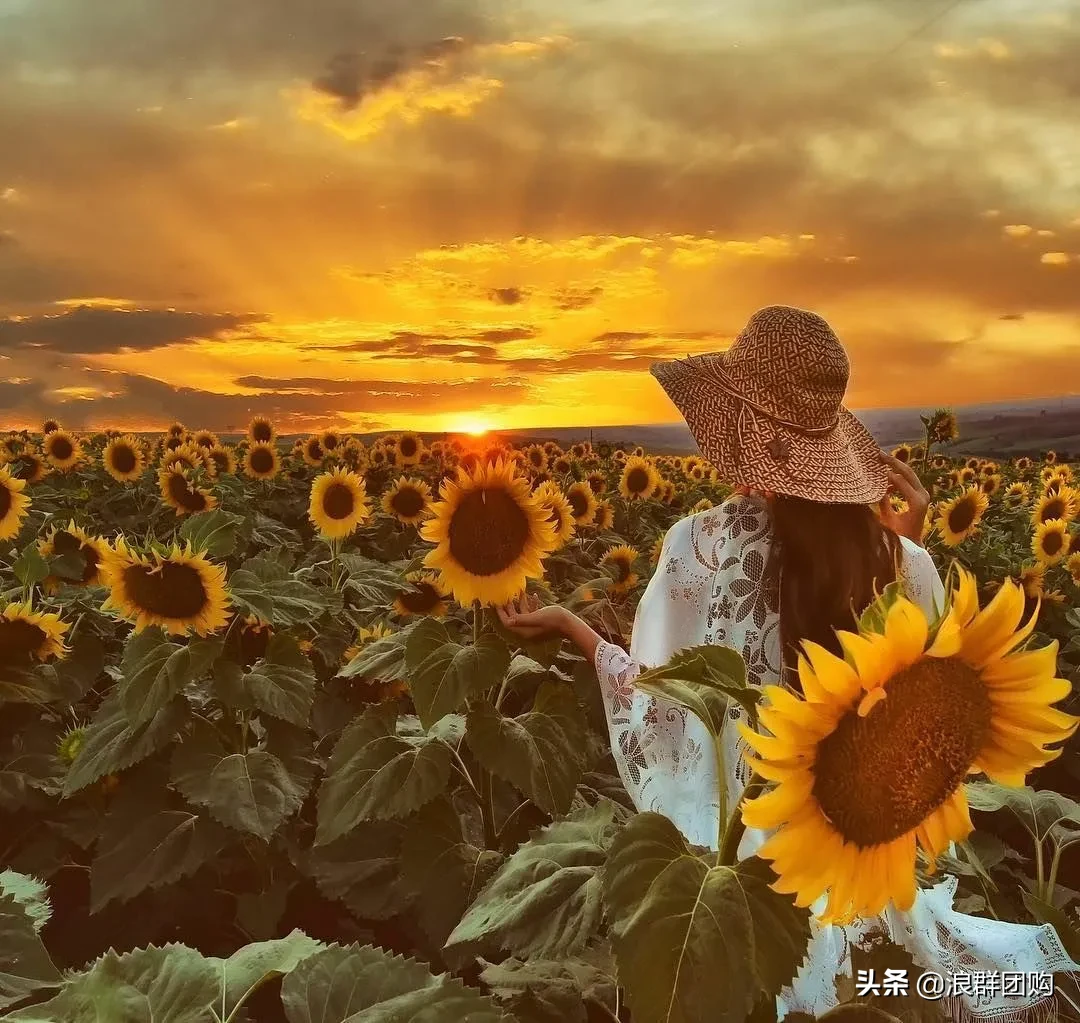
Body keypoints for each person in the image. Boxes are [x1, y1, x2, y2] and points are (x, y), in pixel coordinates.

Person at [497, 306, 1078, 1022]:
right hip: (854, 877)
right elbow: (916, 713)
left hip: (740, 890)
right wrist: (905, 548)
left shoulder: (700, 548)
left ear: (740, 430)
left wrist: (570, 626)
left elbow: (657, 702)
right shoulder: (909, 564)